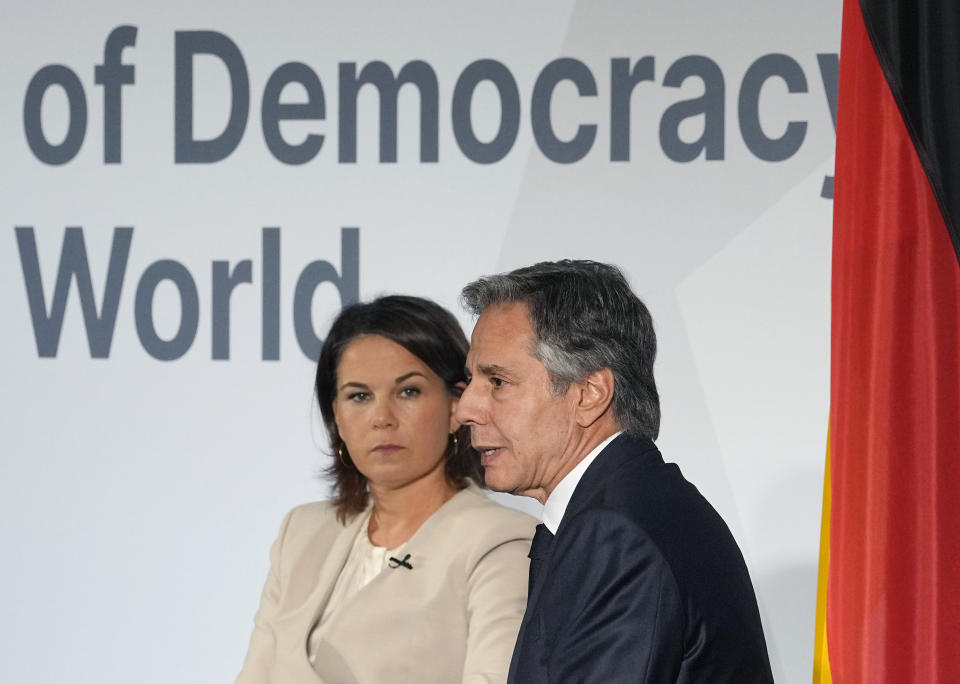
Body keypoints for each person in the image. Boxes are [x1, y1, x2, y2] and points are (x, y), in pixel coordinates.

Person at [456, 260, 774, 683]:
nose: (465, 409)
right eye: (472, 380)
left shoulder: (616, 533)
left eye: (497, 381)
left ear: (589, 394)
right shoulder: (632, 505)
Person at [236, 295, 536, 684]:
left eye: (408, 392)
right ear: (337, 420)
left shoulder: (500, 542)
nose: (382, 418)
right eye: (359, 396)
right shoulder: (302, 532)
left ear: (454, 407)